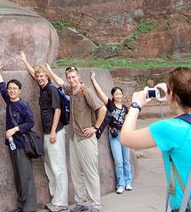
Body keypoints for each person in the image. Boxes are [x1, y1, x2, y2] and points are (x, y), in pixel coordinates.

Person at [120, 67, 191, 212]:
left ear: (173, 96)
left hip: (188, 208)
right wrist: (172, 96)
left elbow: (125, 138)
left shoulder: (169, 129)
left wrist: (136, 105)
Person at [46, 64, 106, 212]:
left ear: (78, 77)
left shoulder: (86, 91)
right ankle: (81, 202)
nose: (71, 80)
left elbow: (102, 109)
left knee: (90, 171)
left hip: (86, 138)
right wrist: (49, 71)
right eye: (69, 77)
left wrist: (95, 127)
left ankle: (95, 204)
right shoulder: (71, 90)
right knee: (76, 171)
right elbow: (60, 83)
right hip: (74, 137)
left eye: (73, 77)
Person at [19, 51, 68, 212]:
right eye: (38, 76)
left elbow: (58, 110)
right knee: (49, 165)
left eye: (42, 76)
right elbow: (34, 74)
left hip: (55, 131)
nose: (39, 78)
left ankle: (61, 201)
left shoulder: (52, 89)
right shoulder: (43, 87)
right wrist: (26, 61)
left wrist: (53, 131)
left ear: (47, 76)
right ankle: (55, 198)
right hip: (47, 132)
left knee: (58, 166)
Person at [0, 59, 37, 212]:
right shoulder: (9, 101)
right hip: (12, 145)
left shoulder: (23, 105)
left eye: (14, 89)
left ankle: (29, 208)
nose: (11, 91)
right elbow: (2, 87)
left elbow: (31, 123)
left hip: (22, 144)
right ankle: (20, 206)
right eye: (10, 88)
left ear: (19, 91)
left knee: (25, 177)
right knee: (18, 177)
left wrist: (15, 129)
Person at [89, 71, 132, 194]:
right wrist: (93, 80)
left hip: (125, 135)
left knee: (126, 160)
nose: (118, 96)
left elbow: (128, 121)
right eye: (116, 94)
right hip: (114, 136)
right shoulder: (110, 105)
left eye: (120, 94)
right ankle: (121, 184)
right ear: (113, 95)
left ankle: (128, 182)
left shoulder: (125, 108)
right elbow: (100, 93)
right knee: (118, 161)